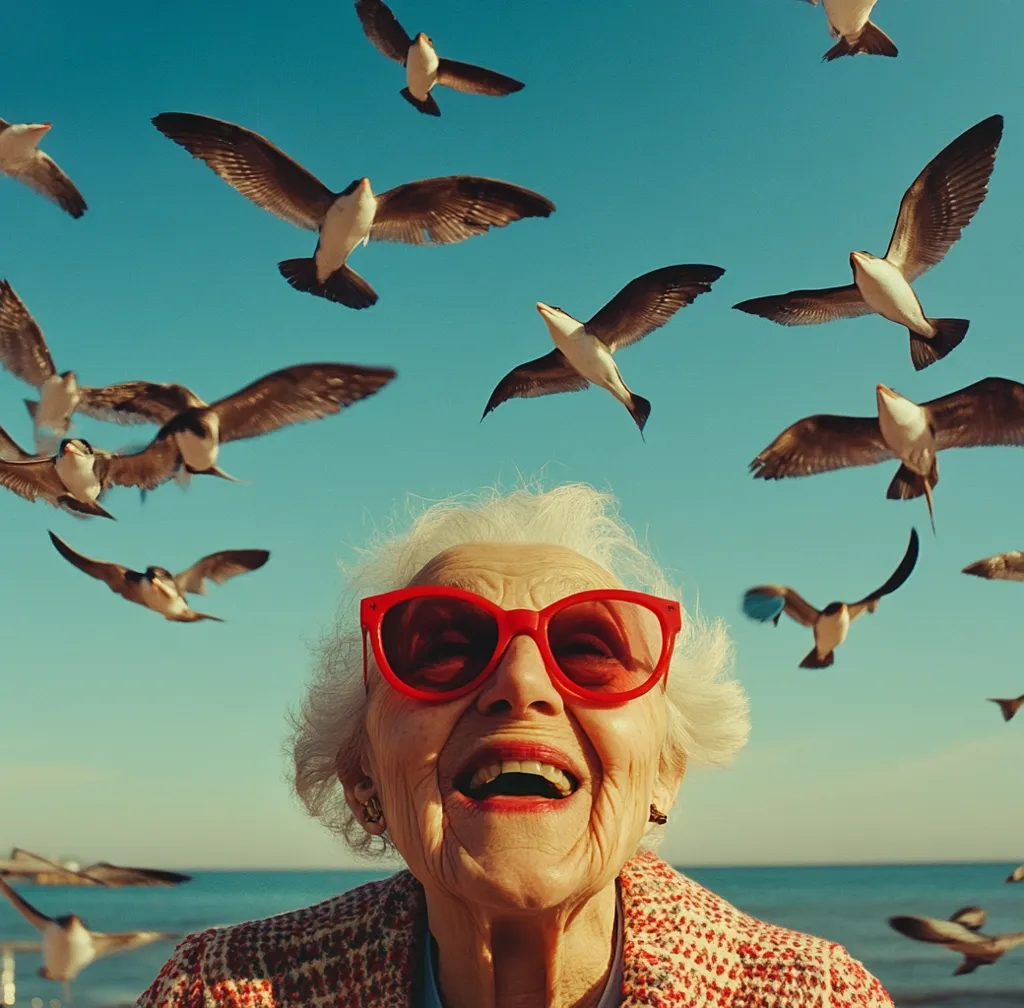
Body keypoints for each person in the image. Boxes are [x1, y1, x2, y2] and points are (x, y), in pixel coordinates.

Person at [138, 484, 894, 1007]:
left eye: (591, 649)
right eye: (441, 647)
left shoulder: (816, 994)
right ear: (361, 777)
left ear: (665, 772)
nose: (522, 683)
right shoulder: (218, 989)